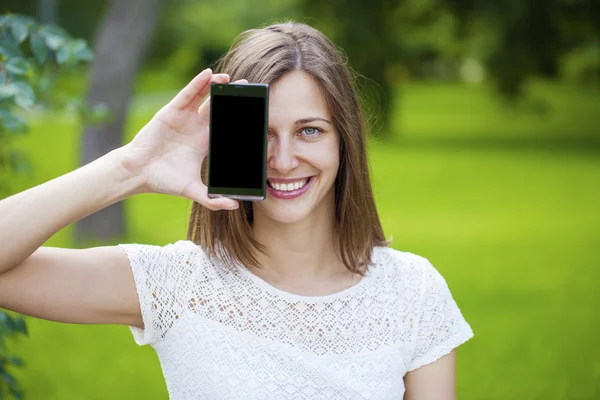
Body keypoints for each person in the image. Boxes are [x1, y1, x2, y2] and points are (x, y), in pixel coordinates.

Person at [0, 21, 473, 399]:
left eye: (309, 130)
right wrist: (130, 168)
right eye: (262, 133)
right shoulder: (175, 284)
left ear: (344, 141)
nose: (284, 160)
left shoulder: (413, 293)